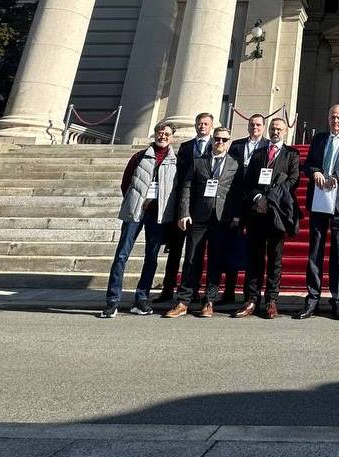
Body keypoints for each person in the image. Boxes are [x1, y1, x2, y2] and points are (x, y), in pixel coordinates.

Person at [99, 121, 179, 318]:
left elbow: (174, 189)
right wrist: (135, 201)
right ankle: (112, 301)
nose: (163, 136)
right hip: (135, 212)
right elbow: (126, 183)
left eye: (167, 133)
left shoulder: (174, 161)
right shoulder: (139, 156)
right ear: (155, 134)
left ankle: (141, 299)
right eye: (160, 132)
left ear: (172, 137)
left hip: (157, 215)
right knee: (121, 255)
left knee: (151, 258)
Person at [296, 103, 339, 320]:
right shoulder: (319, 139)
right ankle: (312, 298)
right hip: (318, 199)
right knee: (315, 250)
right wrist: (315, 172)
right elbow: (307, 164)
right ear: (328, 119)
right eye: (332, 117)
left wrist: (337, 177)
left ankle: (337, 299)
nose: (335, 121)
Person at [164, 125, 241, 318]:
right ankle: (184, 300)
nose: (220, 142)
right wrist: (184, 212)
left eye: (224, 140)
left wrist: (237, 216)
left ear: (229, 142)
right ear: (212, 140)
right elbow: (187, 187)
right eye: (217, 139)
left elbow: (237, 192)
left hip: (221, 218)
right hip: (198, 217)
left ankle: (209, 301)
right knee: (191, 259)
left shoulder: (235, 164)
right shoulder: (199, 161)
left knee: (216, 260)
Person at [233, 117, 301, 319]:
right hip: (256, 212)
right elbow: (248, 182)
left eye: (279, 129)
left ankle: (271, 300)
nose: (275, 132)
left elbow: (293, 180)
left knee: (275, 259)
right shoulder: (258, 153)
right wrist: (258, 198)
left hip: (277, 213)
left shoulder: (292, 154)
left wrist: (269, 199)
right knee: (254, 258)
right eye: (273, 128)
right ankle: (251, 299)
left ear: (285, 131)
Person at [153, 112, 213, 305]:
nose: (202, 126)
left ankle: (192, 290)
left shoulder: (216, 145)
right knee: (175, 250)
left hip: (203, 205)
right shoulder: (186, 147)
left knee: (195, 252)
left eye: (205, 124)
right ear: (195, 125)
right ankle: (167, 288)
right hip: (182, 203)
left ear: (211, 126)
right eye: (199, 123)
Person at [219, 113, 268, 304]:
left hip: (256, 202)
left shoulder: (267, 146)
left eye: (258, 125)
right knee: (232, 246)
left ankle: (250, 294)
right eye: (252, 124)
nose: (255, 127)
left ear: (263, 127)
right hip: (237, 201)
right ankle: (228, 291)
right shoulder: (237, 145)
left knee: (255, 250)